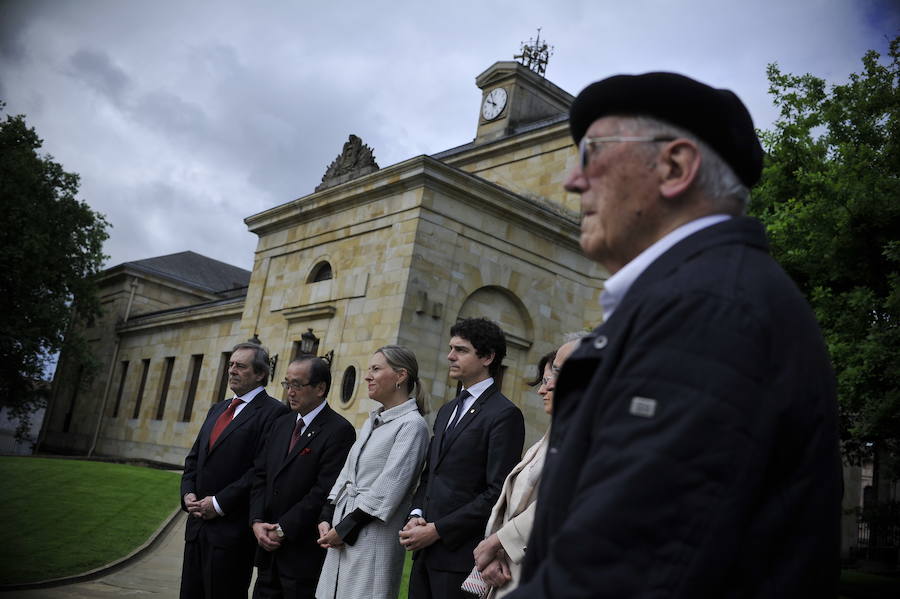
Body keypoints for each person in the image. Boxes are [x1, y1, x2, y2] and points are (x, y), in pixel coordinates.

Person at [508, 73, 843, 599]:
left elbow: (620, 570)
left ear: (675, 167)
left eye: (592, 153)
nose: (573, 181)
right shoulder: (698, 298)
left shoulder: (708, 310)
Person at [401, 317, 525, 599]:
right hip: (424, 553)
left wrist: (438, 530)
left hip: (460, 556)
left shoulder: (504, 415)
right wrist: (416, 515)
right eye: (450, 348)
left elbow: (496, 492)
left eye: (461, 350)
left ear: (488, 357)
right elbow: (430, 474)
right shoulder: (446, 411)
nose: (450, 356)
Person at [315, 346, 430, 599]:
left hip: (371, 535)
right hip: (342, 527)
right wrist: (327, 513)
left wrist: (346, 528)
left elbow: (389, 488)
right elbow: (347, 472)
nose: (367, 376)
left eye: (376, 369)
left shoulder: (412, 426)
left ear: (400, 376)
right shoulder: (372, 420)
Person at [180, 342, 290, 599]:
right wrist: (187, 495)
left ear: (260, 374)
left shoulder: (275, 413)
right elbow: (194, 459)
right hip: (196, 529)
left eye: (240, 366)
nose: (232, 370)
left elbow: (261, 470)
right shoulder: (217, 409)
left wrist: (218, 503)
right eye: (230, 364)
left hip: (232, 534)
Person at [469, 339, 574, 598]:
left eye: (554, 376)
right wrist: (495, 552)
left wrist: (500, 542)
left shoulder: (588, 438)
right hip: (510, 569)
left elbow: (560, 499)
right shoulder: (550, 438)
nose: (542, 389)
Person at [248, 355, 356, 598]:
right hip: (267, 551)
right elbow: (261, 476)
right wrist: (256, 522)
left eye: (297, 385)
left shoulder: (339, 431)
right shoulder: (281, 424)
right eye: (287, 384)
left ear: (320, 388)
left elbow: (323, 491)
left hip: (302, 557)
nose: (290, 392)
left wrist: (283, 529)